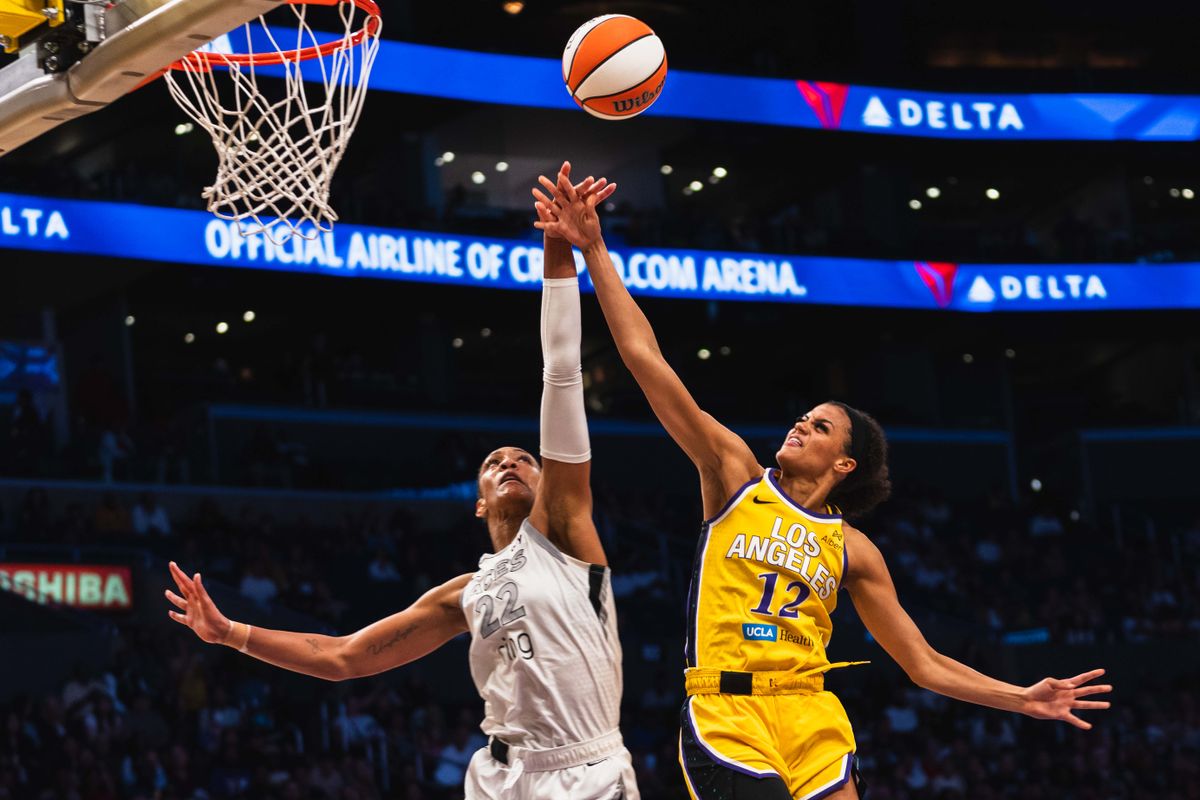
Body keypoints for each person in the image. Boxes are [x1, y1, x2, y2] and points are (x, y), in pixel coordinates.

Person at [533, 163, 1111, 800]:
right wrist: (594, 249)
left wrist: (1021, 698)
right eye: (803, 418)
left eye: (821, 426)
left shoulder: (853, 550)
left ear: (845, 464)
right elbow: (645, 359)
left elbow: (923, 664)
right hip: (727, 712)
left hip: (812, 717)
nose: (801, 425)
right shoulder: (733, 476)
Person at [166, 170, 639, 800]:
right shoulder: (464, 595)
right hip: (500, 776)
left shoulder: (570, 535)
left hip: (586, 770)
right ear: (477, 503)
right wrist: (232, 635)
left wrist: (560, 246)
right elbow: (343, 658)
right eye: (495, 462)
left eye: (525, 457)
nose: (510, 463)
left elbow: (561, 371)